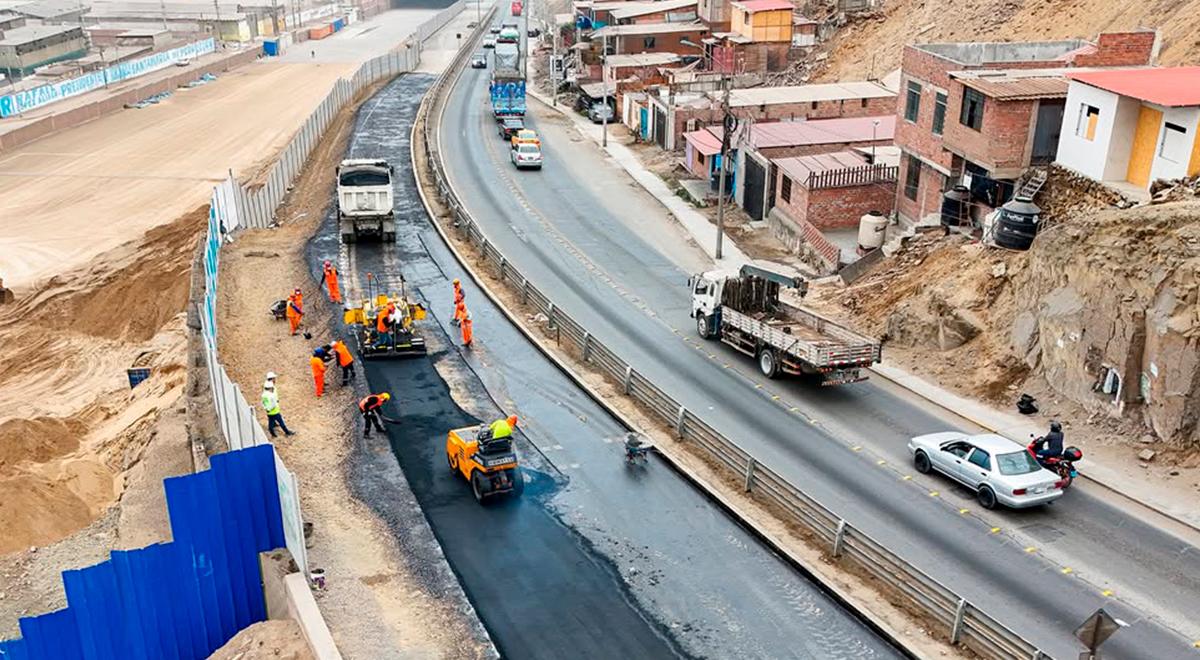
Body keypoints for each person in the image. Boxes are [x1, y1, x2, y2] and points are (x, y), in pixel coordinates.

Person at [261, 373, 294, 437]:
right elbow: (273, 403)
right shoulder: (271, 395)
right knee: (281, 422)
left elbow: (263, 402)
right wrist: (275, 403)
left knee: (270, 422)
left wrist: (267, 409)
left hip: (269, 411)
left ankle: (272, 432)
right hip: (274, 411)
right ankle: (287, 432)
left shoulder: (264, 394)